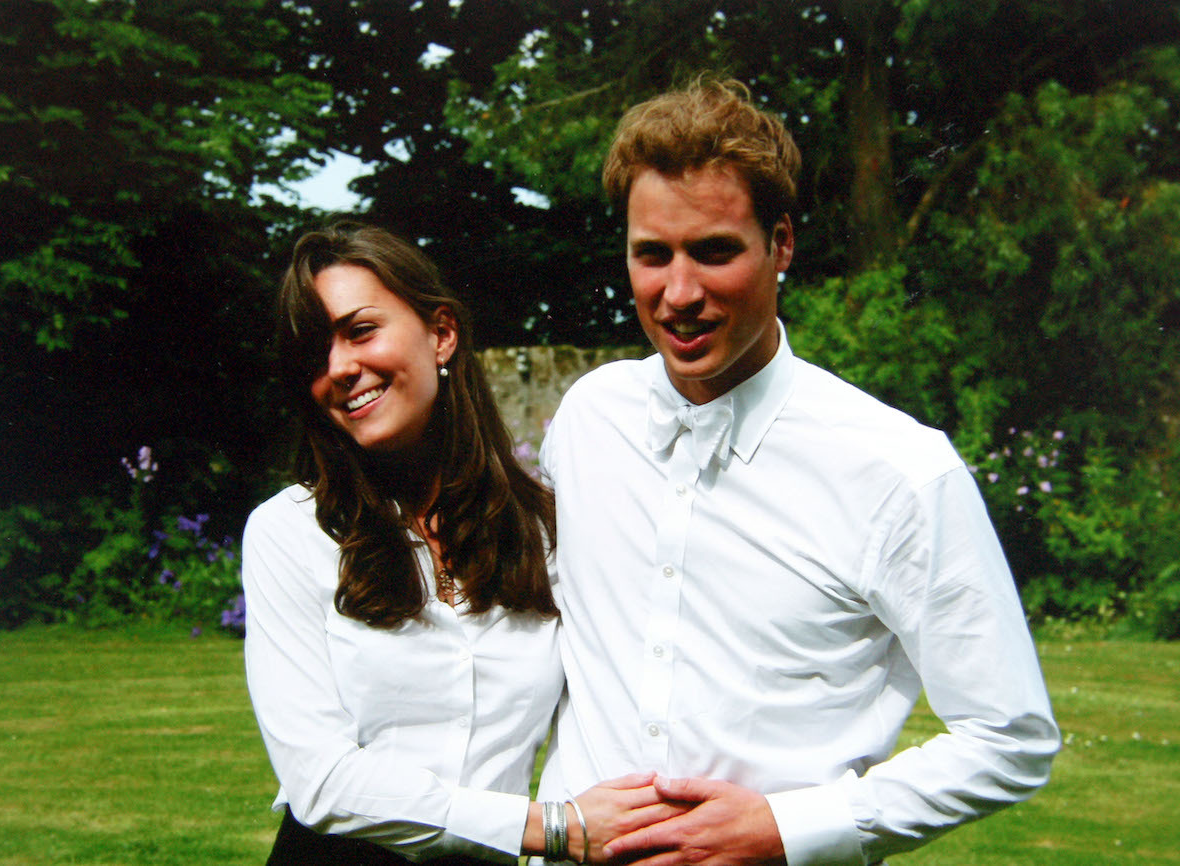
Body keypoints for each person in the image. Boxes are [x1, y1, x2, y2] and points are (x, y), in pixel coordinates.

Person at [535, 78, 1061, 866]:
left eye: (715, 251)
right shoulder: (588, 419)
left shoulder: (899, 471)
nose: (679, 293)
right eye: (653, 255)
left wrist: (789, 829)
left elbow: (1010, 736)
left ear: (781, 243)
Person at [242, 222, 679, 865]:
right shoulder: (290, 533)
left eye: (360, 331)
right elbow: (321, 781)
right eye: (314, 353)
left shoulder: (543, 531)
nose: (338, 368)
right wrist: (548, 828)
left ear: (441, 333)